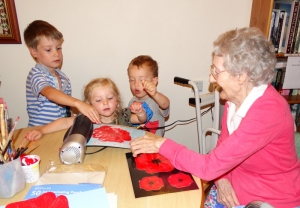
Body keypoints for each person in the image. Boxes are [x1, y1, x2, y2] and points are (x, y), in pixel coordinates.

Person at [130, 27, 300, 208]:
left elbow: (208, 167)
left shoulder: (268, 112)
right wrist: (223, 179)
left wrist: (160, 144)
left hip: (271, 199)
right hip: (236, 186)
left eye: (216, 71)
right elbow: (222, 151)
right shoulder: (233, 101)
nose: (211, 78)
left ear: (241, 76)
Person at [24, 20, 100, 127]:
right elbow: (50, 93)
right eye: (48, 49)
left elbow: (66, 110)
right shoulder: (36, 75)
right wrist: (78, 103)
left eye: (58, 48)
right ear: (34, 52)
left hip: (59, 130)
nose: (56, 54)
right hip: (40, 132)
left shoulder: (64, 78)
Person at [26, 77, 147, 141]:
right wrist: (41, 131)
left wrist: (141, 113)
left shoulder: (124, 115)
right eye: (98, 100)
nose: (105, 102)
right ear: (89, 104)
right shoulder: (86, 119)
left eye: (110, 98)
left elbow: (141, 120)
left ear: (117, 99)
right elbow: (63, 122)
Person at [127, 55, 170, 136]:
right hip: (138, 142)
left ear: (154, 81)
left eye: (141, 80)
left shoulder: (156, 99)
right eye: (132, 80)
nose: (136, 84)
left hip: (155, 144)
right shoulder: (132, 101)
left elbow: (165, 104)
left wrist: (155, 94)